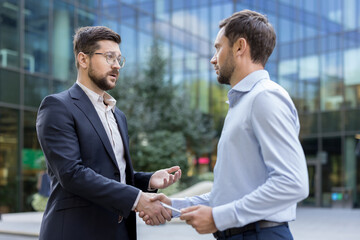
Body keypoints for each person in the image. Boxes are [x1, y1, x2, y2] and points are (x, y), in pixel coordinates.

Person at [142, 10, 309, 240]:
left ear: (240, 47)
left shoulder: (264, 98)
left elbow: (293, 183)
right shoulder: (243, 103)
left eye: (218, 47)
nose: (213, 58)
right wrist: (174, 206)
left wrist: (218, 218)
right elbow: (231, 193)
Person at [36, 26, 181, 240]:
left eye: (119, 59)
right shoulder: (58, 106)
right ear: (83, 60)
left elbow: (113, 174)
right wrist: (136, 198)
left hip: (119, 232)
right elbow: (72, 174)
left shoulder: (117, 115)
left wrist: (148, 180)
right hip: (76, 232)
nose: (116, 66)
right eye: (109, 57)